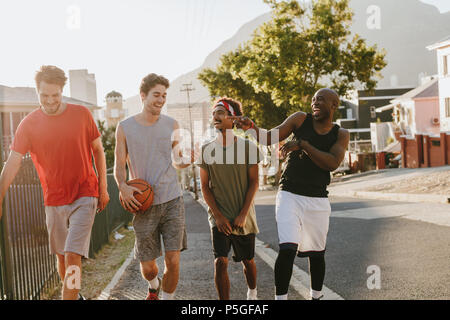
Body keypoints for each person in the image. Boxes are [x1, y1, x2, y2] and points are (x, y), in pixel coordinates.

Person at [0, 65, 110, 300]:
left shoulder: (82, 114)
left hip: (85, 192)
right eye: (44, 95)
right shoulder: (28, 125)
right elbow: (12, 163)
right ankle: (75, 295)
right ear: (36, 92)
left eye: (55, 95)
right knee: (61, 256)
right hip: (53, 198)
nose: (50, 101)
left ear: (62, 91)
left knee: (72, 255)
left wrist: (103, 188)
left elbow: (98, 150)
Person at [230, 88, 350, 300]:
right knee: (287, 249)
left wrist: (303, 145)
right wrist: (252, 128)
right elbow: (269, 137)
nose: (315, 103)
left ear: (333, 105)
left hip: (318, 198)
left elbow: (332, 163)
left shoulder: (340, 134)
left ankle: (316, 296)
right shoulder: (300, 119)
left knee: (317, 253)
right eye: (313, 99)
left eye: (321, 100)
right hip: (289, 194)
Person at [114, 73, 193, 301]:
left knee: (173, 260)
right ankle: (153, 284)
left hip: (172, 200)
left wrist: (186, 160)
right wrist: (122, 186)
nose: (161, 99)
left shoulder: (171, 124)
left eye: (164, 95)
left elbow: (178, 160)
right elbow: (119, 164)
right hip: (143, 203)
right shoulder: (125, 127)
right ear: (143, 96)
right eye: (156, 95)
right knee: (149, 267)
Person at [198, 98, 262, 300]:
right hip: (219, 216)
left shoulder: (248, 147)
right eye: (213, 113)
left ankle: (252, 293)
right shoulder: (206, 149)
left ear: (233, 119)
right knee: (220, 262)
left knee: (248, 261)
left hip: (243, 215)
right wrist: (217, 216)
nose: (215, 116)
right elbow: (204, 187)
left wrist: (243, 214)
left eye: (221, 112)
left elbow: (254, 183)